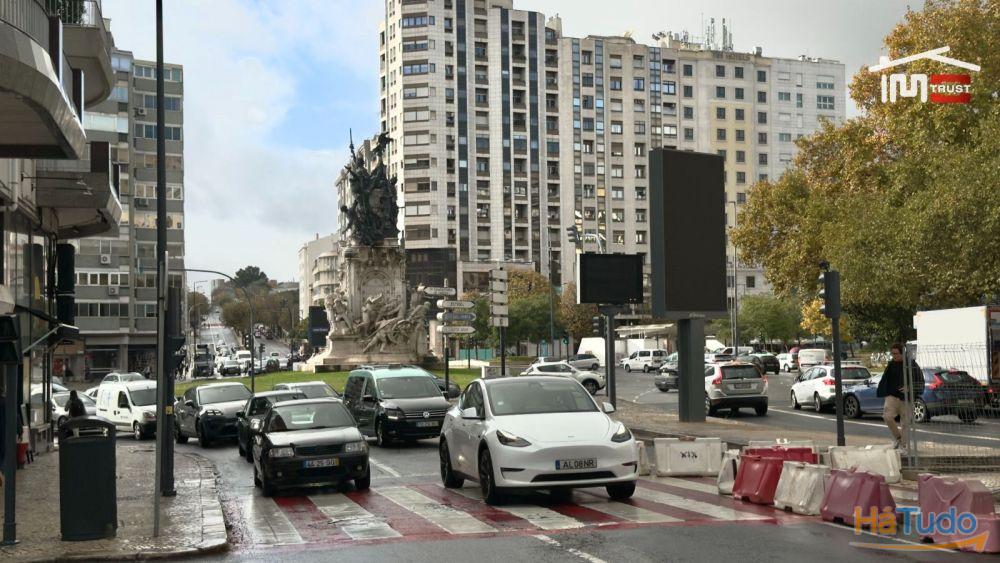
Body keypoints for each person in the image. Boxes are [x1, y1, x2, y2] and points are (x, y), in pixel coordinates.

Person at [876, 342, 921, 450]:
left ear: (902, 353)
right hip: (892, 396)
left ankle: (903, 446)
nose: (894, 356)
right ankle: (898, 438)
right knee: (887, 417)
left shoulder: (912, 364)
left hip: (907, 398)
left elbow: (919, 380)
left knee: (905, 423)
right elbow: (885, 379)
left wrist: (909, 388)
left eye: (896, 353)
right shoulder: (891, 365)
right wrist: (884, 392)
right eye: (892, 353)